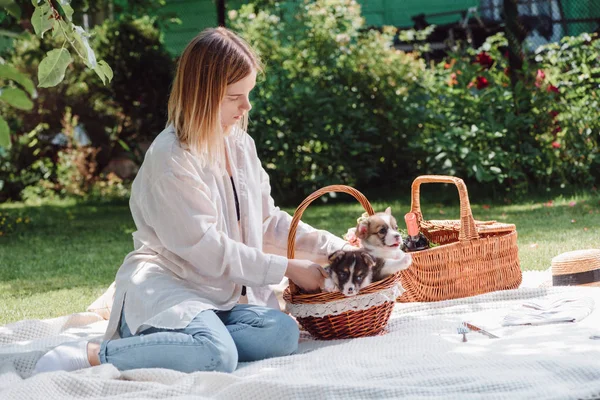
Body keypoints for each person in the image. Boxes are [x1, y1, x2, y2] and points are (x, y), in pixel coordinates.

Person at [33, 27, 353, 375]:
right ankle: (95, 354)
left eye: (248, 93)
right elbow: (208, 248)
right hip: (171, 286)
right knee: (218, 356)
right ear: (203, 93)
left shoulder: (240, 144)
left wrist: (337, 250)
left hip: (218, 297)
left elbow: (267, 223)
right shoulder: (170, 158)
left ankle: (185, 345)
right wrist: (288, 268)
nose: (246, 105)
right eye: (235, 96)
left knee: (282, 332)